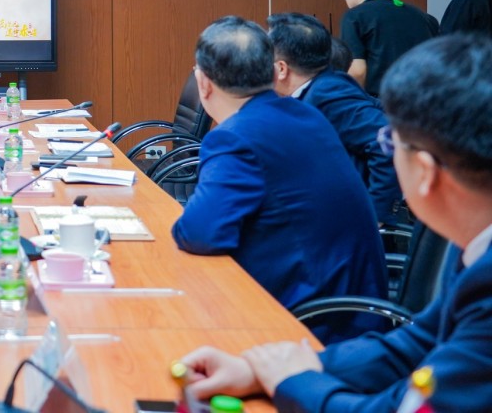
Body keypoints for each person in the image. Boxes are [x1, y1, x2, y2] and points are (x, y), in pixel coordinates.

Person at [177, 33, 492, 412]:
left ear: (424, 172)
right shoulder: (474, 246)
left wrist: (293, 381)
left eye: (390, 144)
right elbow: (418, 343)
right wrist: (260, 369)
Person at [172, 17, 386, 341]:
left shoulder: (234, 137)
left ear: (204, 83)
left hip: (307, 324)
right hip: (354, 313)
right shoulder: (306, 113)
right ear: (274, 73)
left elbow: (199, 233)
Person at [268, 12, 400, 224]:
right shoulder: (319, 86)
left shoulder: (326, 92)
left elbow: (386, 141)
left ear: (282, 68)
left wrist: (376, 215)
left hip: (348, 223)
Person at [339, 0, 438, 96]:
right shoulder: (423, 16)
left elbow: (358, 71)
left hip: (382, 102)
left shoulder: (354, 17)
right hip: (423, 99)